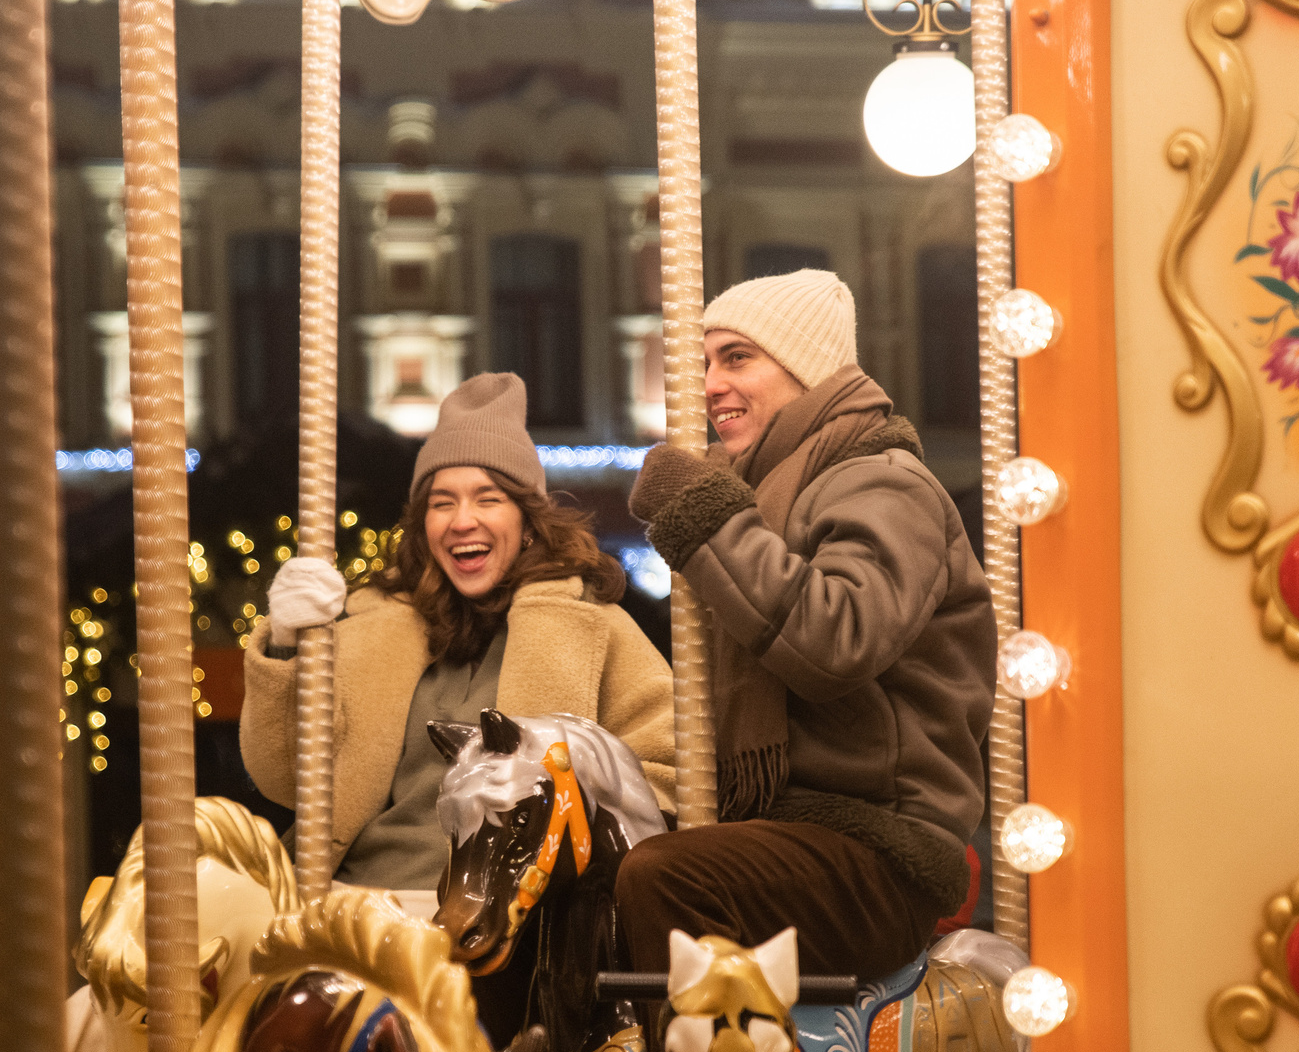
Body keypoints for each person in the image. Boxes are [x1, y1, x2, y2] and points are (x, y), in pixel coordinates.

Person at [618, 267, 992, 983]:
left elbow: (838, 636)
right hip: (790, 832)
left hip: (877, 843)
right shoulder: (768, 493)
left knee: (665, 877)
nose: (710, 385)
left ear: (806, 367)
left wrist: (709, 519)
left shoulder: (883, 481)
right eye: (705, 362)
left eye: (737, 358)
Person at [240, 371, 675, 902]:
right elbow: (284, 777)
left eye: (487, 499)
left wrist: (562, 845)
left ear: (528, 520)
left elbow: (666, 773)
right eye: (441, 503)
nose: (461, 520)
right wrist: (290, 644)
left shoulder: (593, 626)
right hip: (355, 897)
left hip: (505, 918)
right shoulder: (371, 625)